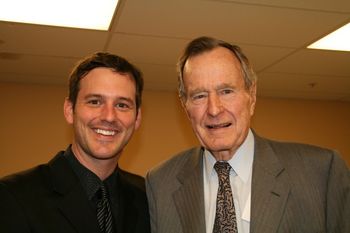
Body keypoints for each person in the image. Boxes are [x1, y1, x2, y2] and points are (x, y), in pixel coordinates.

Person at [145, 36, 349, 233]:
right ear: (185, 106)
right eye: (199, 96)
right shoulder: (160, 183)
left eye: (226, 91)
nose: (214, 109)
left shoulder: (321, 173)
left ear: (251, 96)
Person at [0, 52, 150, 233]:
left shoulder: (148, 197)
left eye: (122, 105)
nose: (109, 116)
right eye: (95, 102)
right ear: (70, 110)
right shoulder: (14, 195)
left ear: (137, 118)